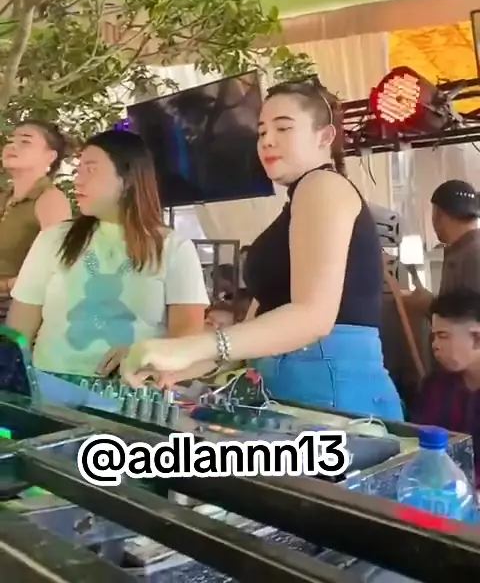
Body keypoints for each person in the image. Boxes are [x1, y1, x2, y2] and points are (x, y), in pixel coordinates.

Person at [121, 78, 403, 420]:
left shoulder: (323, 185)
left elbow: (313, 316)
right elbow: (261, 321)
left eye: (283, 128)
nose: (267, 140)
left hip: (332, 393)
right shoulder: (298, 204)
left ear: (325, 136)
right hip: (292, 389)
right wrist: (181, 365)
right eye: (261, 131)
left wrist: (189, 348)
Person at [6, 129, 208, 377]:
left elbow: (188, 336)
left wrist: (146, 355)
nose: (78, 180)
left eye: (91, 170)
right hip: (49, 386)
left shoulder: (172, 247)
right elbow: (19, 327)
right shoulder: (55, 239)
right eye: (78, 170)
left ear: (128, 178)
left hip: (130, 387)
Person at [0, 121, 71, 313]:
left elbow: (56, 266)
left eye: (25, 141)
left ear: (50, 156)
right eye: (10, 140)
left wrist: (7, 285)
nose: (12, 146)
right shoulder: (5, 198)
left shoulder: (50, 199)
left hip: (15, 310)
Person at [411, 290, 480, 487]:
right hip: (438, 489)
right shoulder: (435, 385)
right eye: (434, 337)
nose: (435, 345)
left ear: (477, 338)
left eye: (443, 336)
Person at [410, 180, 480, 312]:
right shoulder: (461, 250)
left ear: (440, 215)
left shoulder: (473, 256)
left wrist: (429, 304)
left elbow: (468, 316)